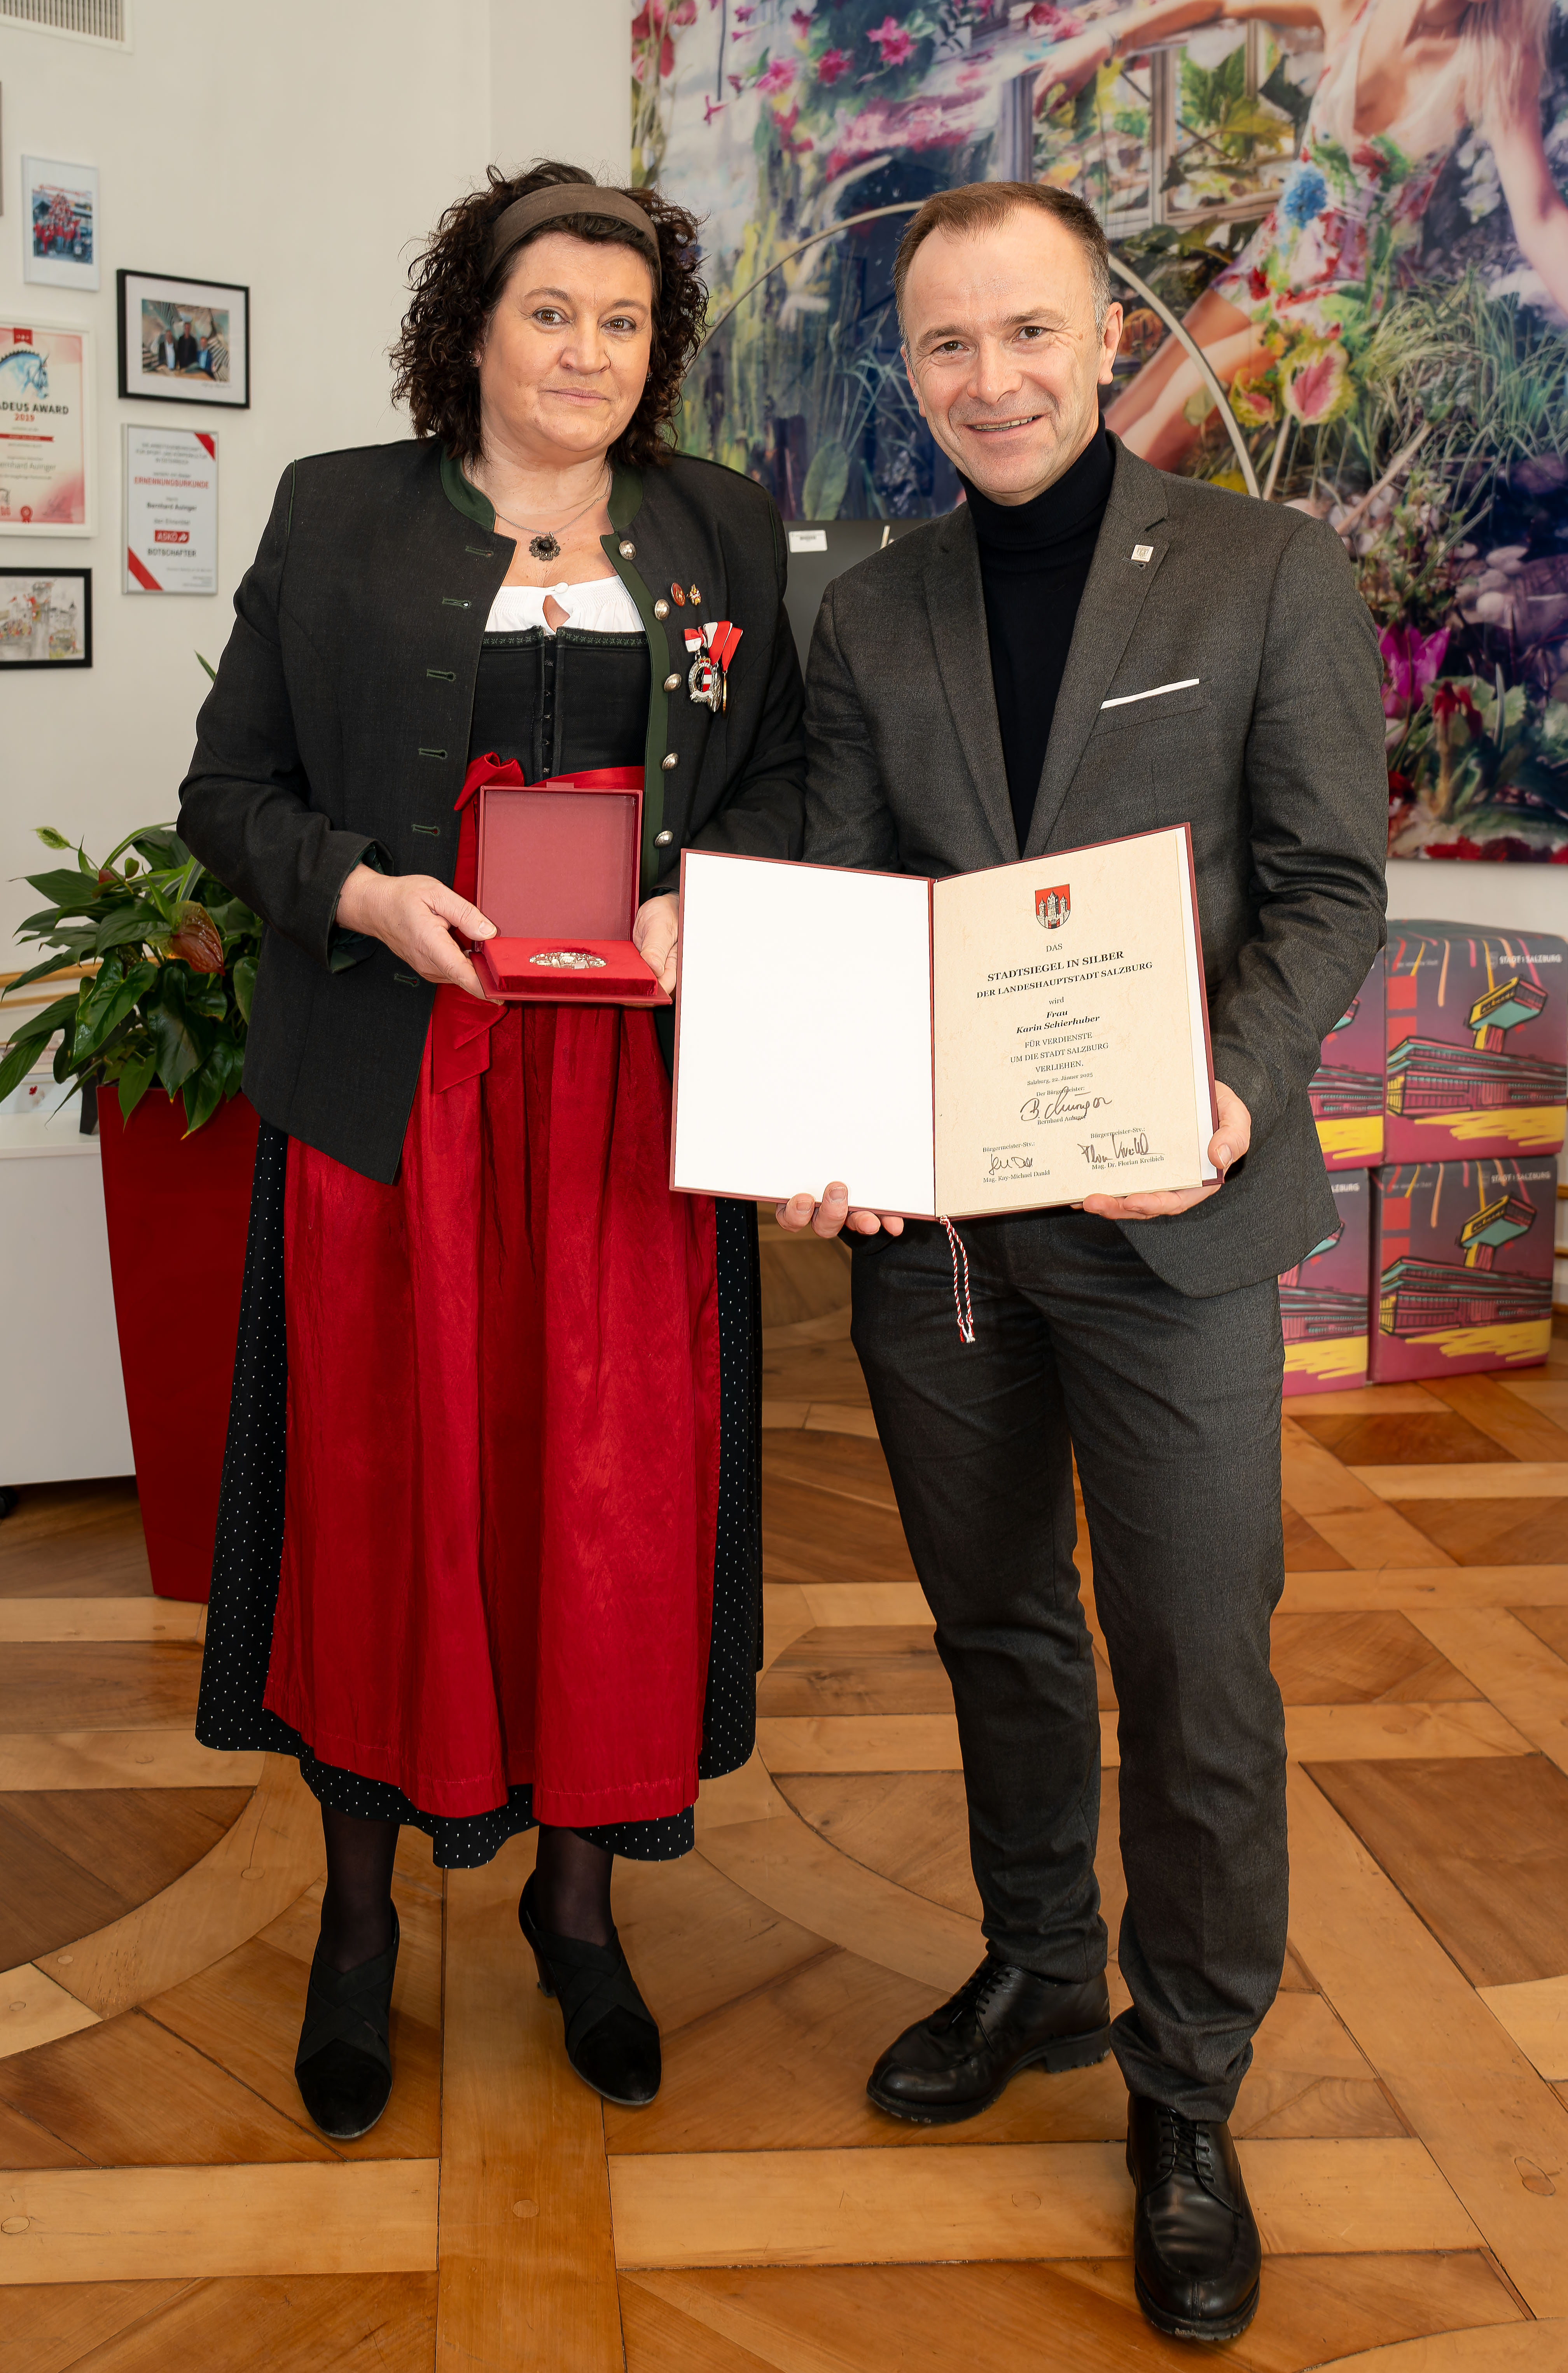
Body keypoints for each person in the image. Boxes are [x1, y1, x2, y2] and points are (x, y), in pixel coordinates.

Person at [786, 181, 1385, 2344]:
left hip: (1173, 1217)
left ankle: (1186, 2088)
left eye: (1027, 334)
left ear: (1107, 331)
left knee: (1198, 1669)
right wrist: (828, 1120)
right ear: (912, 371)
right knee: (998, 1629)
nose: (992, 381)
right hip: (942, 1236)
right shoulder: (871, 607)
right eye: (947, 348)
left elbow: (1326, 886)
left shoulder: (1267, 570)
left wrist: (1228, 1087)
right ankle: (1041, 1967)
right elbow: (852, 908)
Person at [181, 161, 804, 2142]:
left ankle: (580, 1905)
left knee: (604, 1495)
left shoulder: (719, 522)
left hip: (627, 1100)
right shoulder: (338, 511)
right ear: (472, 327)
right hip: (404, 1085)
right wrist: (362, 897)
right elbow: (230, 794)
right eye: (552, 314)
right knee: (390, 1485)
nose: (589, 355)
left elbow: (778, 763)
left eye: (625, 325)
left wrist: (712, 891)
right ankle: (358, 1927)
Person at [1031, 0, 1568, 469]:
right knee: (1116, 420)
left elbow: (1540, 215)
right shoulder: (1356, 8)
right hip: (1270, 264)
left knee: (1179, 404)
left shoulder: (1493, 60)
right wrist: (1103, 42)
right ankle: (980, 553)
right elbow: (1219, 2)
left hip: (1342, 306)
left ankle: (1063, 572)